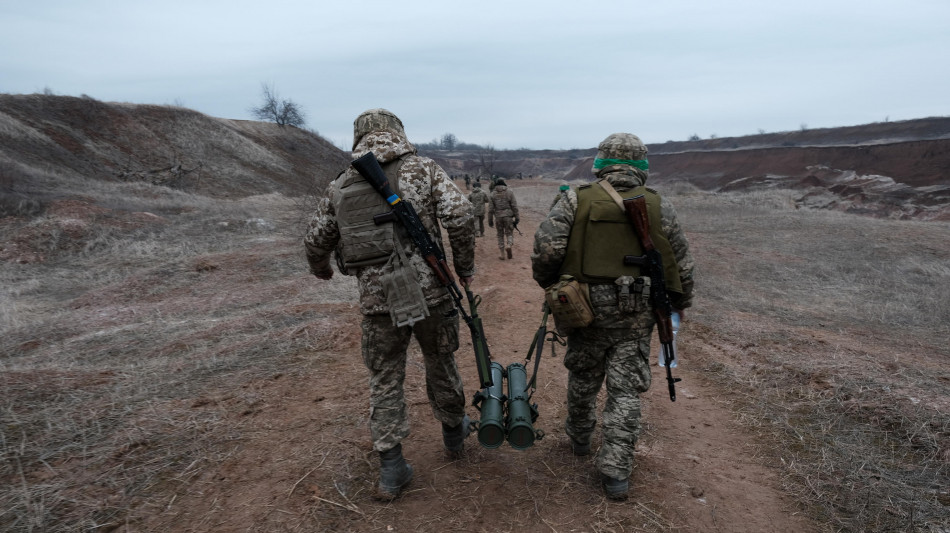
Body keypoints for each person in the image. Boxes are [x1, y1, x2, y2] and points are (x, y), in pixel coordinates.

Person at [304, 108, 476, 500]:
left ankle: (392, 467)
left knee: (385, 378)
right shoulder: (424, 170)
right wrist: (464, 267)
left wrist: (323, 270)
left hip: (378, 301)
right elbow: (462, 215)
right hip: (431, 294)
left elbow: (315, 240)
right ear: (397, 132)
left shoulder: (342, 183)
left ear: (358, 137)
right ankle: (454, 433)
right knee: (441, 360)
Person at [530, 132, 695, 501]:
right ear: (643, 167)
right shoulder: (658, 205)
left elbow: (545, 252)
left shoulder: (575, 198)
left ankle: (580, 439)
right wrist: (681, 303)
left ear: (600, 163)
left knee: (584, 375)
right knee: (625, 391)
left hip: (583, 308)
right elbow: (682, 265)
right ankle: (616, 472)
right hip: (635, 315)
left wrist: (554, 288)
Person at [487, 178, 519, 260]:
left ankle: (502, 254)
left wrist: (490, 220)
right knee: (509, 233)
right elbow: (514, 206)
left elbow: (490, 209)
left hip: (498, 217)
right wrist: (517, 217)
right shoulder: (509, 192)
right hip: (508, 216)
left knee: (500, 235)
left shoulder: (492, 194)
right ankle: (509, 244)